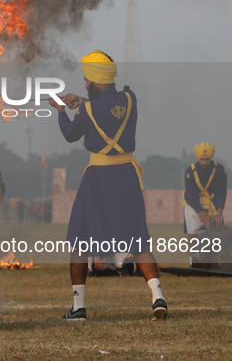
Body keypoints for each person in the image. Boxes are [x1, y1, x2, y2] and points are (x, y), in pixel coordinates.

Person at [48, 50, 167, 321]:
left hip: (99, 178)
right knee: (139, 239)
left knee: (79, 240)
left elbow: (69, 135)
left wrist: (61, 111)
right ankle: (158, 297)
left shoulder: (88, 110)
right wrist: (82, 101)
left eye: (88, 82)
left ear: (97, 81)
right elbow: (107, 110)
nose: (86, 85)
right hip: (127, 175)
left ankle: (78, 307)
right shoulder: (130, 98)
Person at [183, 142, 227, 265]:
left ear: (211, 158)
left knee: (218, 235)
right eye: (202, 159)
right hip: (194, 206)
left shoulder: (220, 170)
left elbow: (221, 193)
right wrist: (205, 220)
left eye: (207, 159)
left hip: (213, 205)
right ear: (198, 158)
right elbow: (191, 197)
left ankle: (217, 261)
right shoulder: (190, 172)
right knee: (192, 234)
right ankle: (192, 262)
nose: (204, 163)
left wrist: (218, 216)